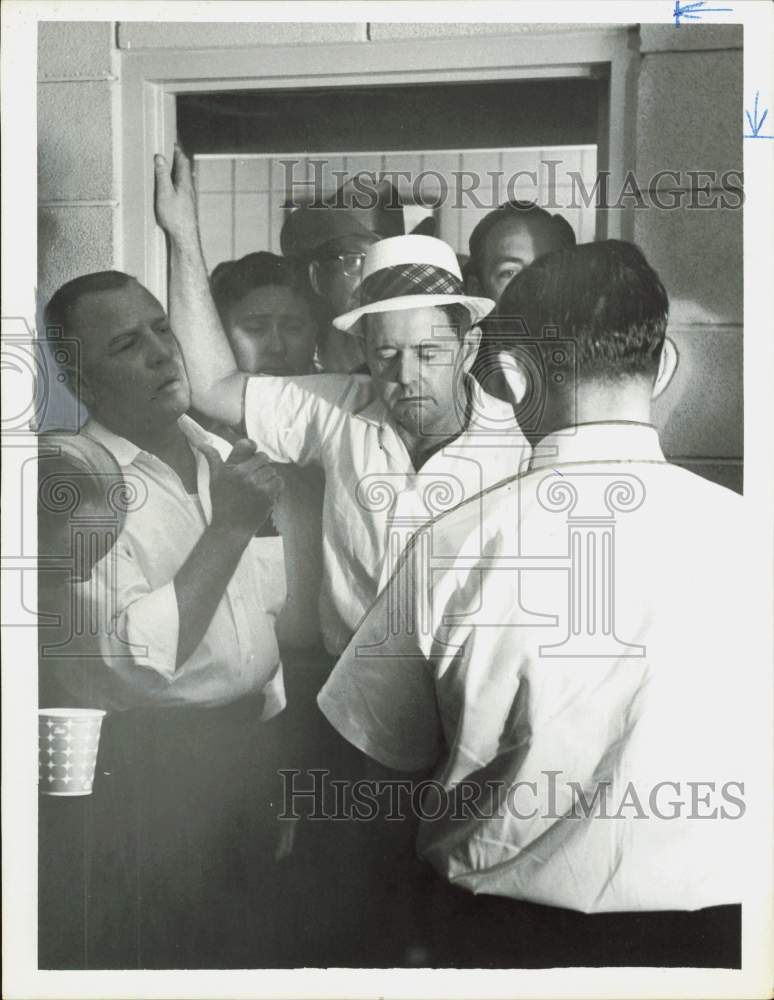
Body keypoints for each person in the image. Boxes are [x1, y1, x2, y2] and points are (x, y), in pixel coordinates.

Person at [318, 240, 747, 969]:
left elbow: (380, 780)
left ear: (511, 377)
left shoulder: (450, 548)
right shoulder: (751, 537)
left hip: (498, 945)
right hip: (724, 948)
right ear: (664, 366)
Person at [42, 269, 290, 968]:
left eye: (161, 329)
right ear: (83, 382)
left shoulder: (223, 457)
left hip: (246, 755)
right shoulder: (70, 484)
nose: (162, 353)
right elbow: (133, 663)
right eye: (127, 344)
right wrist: (230, 530)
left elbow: (262, 619)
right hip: (148, 775)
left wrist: (272, 760)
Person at [280, 171, 433, 374]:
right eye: (356, 261)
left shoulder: (411, 372)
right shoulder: (289, 367)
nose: (374, 277)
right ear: (317, 277)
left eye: (387, 262)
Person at [466, 200, 577, 400]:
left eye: (549, 270)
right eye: (509, 273)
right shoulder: (456, 390)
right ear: (478, 291)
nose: (532, 289)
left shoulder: (595, 381)